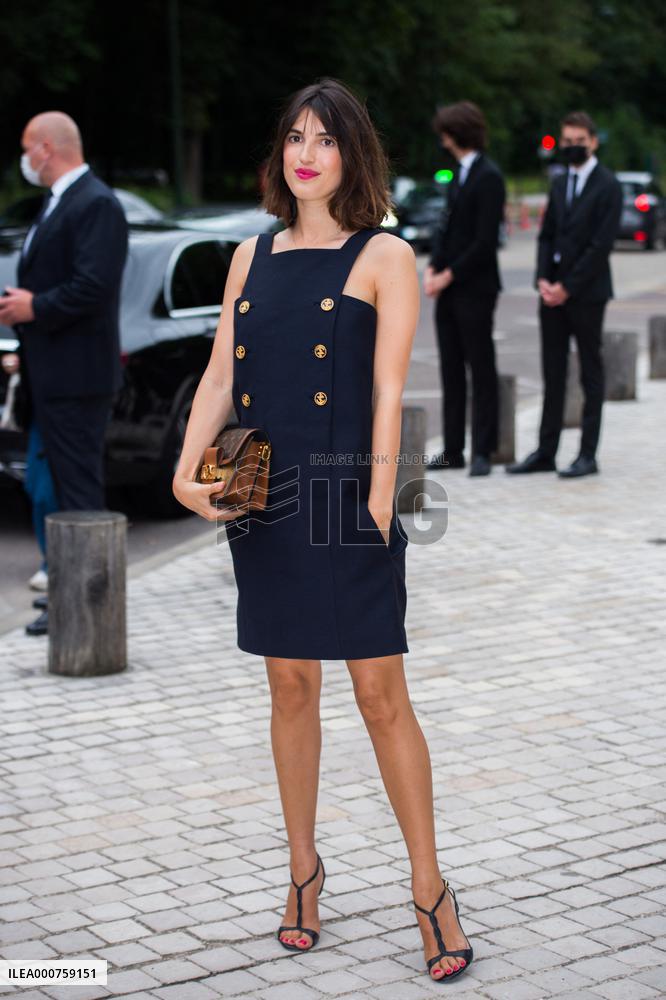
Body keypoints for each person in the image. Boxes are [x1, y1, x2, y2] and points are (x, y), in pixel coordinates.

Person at [172, 77, 474, 983]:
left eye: (326, 139)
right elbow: (221, 375)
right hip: (263, 491)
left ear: (353, 154)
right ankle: (303, 872)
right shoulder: (250, 254)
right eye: (296, 137)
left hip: (347, 491)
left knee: (381, 697)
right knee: (290, 687)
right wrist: (185, 469)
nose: (307, 154)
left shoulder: (384, 254)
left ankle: (430, 888)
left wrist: (380, 499)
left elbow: (388, 386)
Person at [0, 111, 128, 635]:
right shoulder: (58, 202)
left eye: (27, 147)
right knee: (52, 492)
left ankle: (83, 612)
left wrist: (34, 306)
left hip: (78, 380)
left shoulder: (96, 203)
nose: (24, 159)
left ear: (47, 149)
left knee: (78, 497)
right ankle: (67, 597)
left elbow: (93, 287)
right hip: (49, 379)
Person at [506, 110, 623, 478]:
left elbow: (600, 246)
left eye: (579, 141)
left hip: (587, 294)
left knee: (590, 372)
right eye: (567, 141)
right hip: (551, 294)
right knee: (552, 372)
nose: (572, 147)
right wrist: (543, 279)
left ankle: (588, 454)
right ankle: (546, 451)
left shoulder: (608, 185)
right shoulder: (559, 183)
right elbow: (546, 236)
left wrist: (567, 287)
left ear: (593, 142)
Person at [424, 101, 505, 477]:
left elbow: (485, 241)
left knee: (481, 368)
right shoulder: (458, 173)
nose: (442, 140)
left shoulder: (489, 177)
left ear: (455, 134)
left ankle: (484, 449)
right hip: (450, 287)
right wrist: (433, 266)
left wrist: (449, 274)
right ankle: (453, 448)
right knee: (451, 368)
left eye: (445, 133)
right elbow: (448, 227)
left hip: (476, 287)